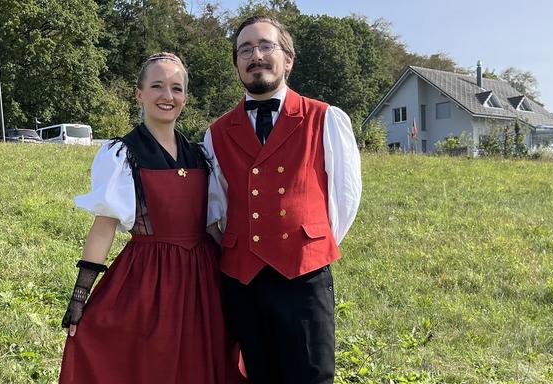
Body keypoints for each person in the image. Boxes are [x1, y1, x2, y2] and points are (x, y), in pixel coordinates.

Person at [59, 52, 244, 384]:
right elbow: (104, 227)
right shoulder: (123, 154)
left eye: (176, 88)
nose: (167, 96)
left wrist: (237, 280)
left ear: (185, 96)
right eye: (157, 86)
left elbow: (212, 226)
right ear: (139, 93)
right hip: (149, 277)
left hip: (203, 279)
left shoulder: (201, 155)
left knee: (200, 362)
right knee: (150, 364)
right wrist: (79, 296)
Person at [202, 16, 362, 384]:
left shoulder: (325, 118)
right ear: (237, 64)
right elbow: (217, 205)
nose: (255, 56)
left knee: (312, 376)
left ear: (288, 58)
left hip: (304, 277)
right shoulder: (216, 133)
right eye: (245, 50)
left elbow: (345, 196)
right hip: (243, 282)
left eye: (265, 46)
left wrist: (311, 245)